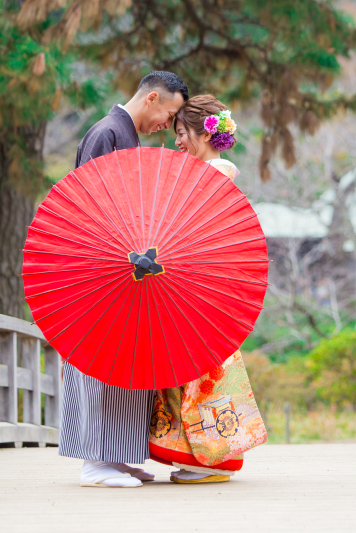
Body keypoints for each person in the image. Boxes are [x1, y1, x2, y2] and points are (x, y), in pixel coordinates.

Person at [60, 70, 189, 489]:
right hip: (102, 271)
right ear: (152, 98)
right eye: (168, 115)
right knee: (103, 365)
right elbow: (91, 207)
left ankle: (117, 456)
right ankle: (94, 462)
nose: (166, 126)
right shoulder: (107, 134)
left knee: (129, 364)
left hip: (129, 269)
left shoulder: (125, 136)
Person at [147, 95, 267, 484]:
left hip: (198, 291)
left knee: (200, 373)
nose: (178, 141)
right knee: (194, 371)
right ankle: (199, 458)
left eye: (183, 133)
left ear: (205, 134)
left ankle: (209, 461)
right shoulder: (208, 173)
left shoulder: (214, 174)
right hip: (198, 288)